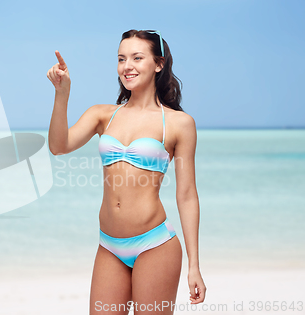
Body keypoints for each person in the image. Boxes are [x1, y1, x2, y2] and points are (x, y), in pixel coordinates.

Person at [47, 29, 206, 314]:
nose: (127, 66)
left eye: (137, 57)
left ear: (159, 63)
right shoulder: (103, 115)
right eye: (121, 59)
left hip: (155, 245)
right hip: (109, 245)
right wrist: (62, 94)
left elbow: (187, 195)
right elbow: (59, 146)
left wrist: (194, 265)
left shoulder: (179, 123)